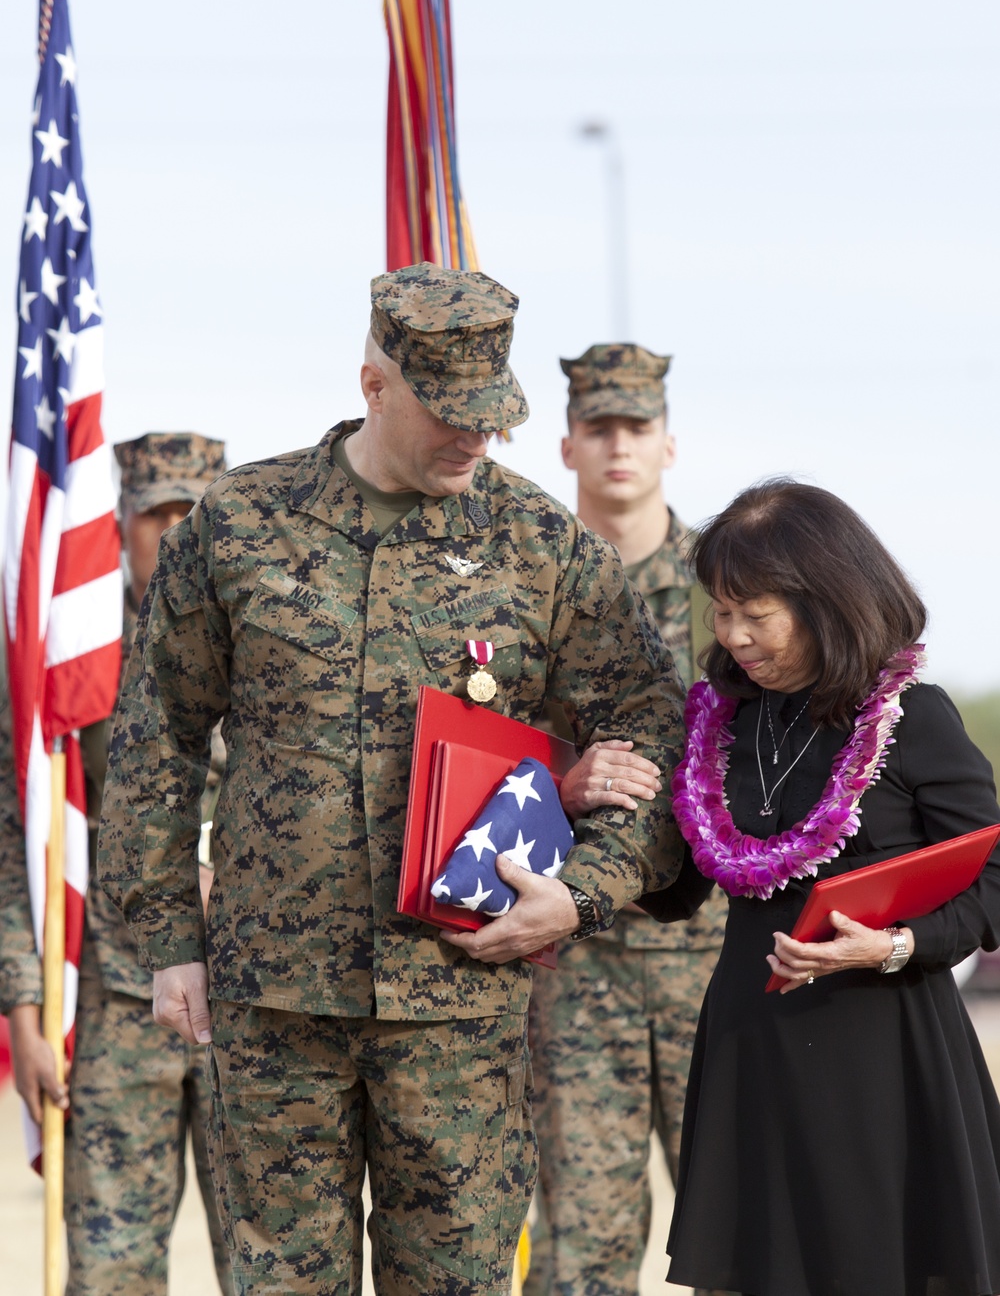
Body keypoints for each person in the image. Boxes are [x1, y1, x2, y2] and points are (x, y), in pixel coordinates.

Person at [97, 263, 687, 1296]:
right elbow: (158, 737)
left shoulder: (542, 544)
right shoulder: (238, 527)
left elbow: (657, 735)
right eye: (449, 414)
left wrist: (582, 897)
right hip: (271, 1003)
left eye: (492, 416)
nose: (476, 439)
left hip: (463, 1004)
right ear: (373, 384)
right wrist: (164, 944)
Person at [662, 478, 1000, 1296]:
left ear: (825, 602)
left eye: (757, 613)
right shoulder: (721, 722)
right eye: (721, 611)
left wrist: (895, 946)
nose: (734, 635)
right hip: (752, 1045)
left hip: (880, 1055)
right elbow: (678, 886)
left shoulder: (911, 717)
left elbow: (993, 877)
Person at [0, 432, 232, 1296]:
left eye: (193, 513)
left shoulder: (278, 636)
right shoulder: (78, 659)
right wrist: (24, 1005)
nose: (175, 533)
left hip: (254, 1000)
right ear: (122, 523)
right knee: (109, 1271)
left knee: (270, 1267)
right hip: (112, 1002)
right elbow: (19, 831)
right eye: (156, 513)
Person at [526, 344, 728, 1296]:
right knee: (581, 1244)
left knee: (742, 1222)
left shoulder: (729, 584)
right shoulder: (526, 582)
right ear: (567, 443)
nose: (618, 446)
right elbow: (470, 743)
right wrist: (559, 776)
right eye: (599, 427)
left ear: (669, 443)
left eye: (636, 427)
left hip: (718, 953)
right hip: (577, 961)